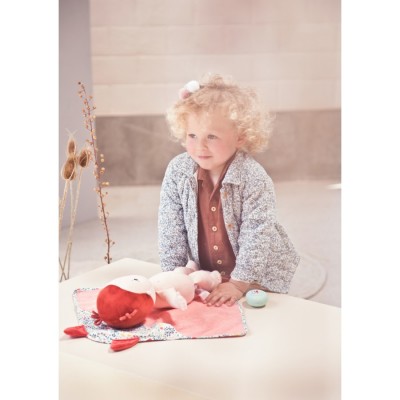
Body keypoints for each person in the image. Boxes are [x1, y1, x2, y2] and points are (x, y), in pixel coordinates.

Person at [158, 74, 300, 307]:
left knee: (256, 311)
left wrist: (238, 283)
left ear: (240, 137)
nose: (200, 146)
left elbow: (257, 233)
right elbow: (170, 227)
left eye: (211, 136)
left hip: (254, 272)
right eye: (192, 135)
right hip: (207, 269)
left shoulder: (253, 177)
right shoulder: (178, 171)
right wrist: (174, 275)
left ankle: (242, 282)